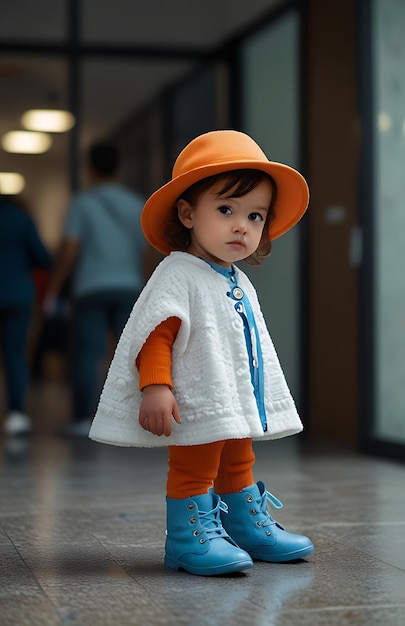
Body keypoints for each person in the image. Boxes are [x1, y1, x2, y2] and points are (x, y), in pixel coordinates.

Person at [89, 130, 314, 576]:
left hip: (229, 396)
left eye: (255, 216)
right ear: (188, 214)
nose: (241, 226)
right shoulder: (178, 273)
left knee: (238, 457)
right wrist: (156, 386)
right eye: (226, 210)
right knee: (195, 465)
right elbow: (155, 334)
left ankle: (246, 525)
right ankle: (188, 538)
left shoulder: (234, 278)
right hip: (195, 397)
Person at [44, 142, 151, 436]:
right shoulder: (136, 204)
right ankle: (145, 417)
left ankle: (82, 419)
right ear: (119, 168)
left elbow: (69, 250)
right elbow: (145, 253)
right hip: (129, 287)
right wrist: (149, 290)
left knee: (88, 354)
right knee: (135, 354)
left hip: (90, 289)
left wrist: (53, 291)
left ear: (90, 169)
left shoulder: (82, 203)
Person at [0, 195, 51, 435]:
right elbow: (41, 257)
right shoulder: (22, 220)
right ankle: (16, 413)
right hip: (17, 294)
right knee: (15, 355)